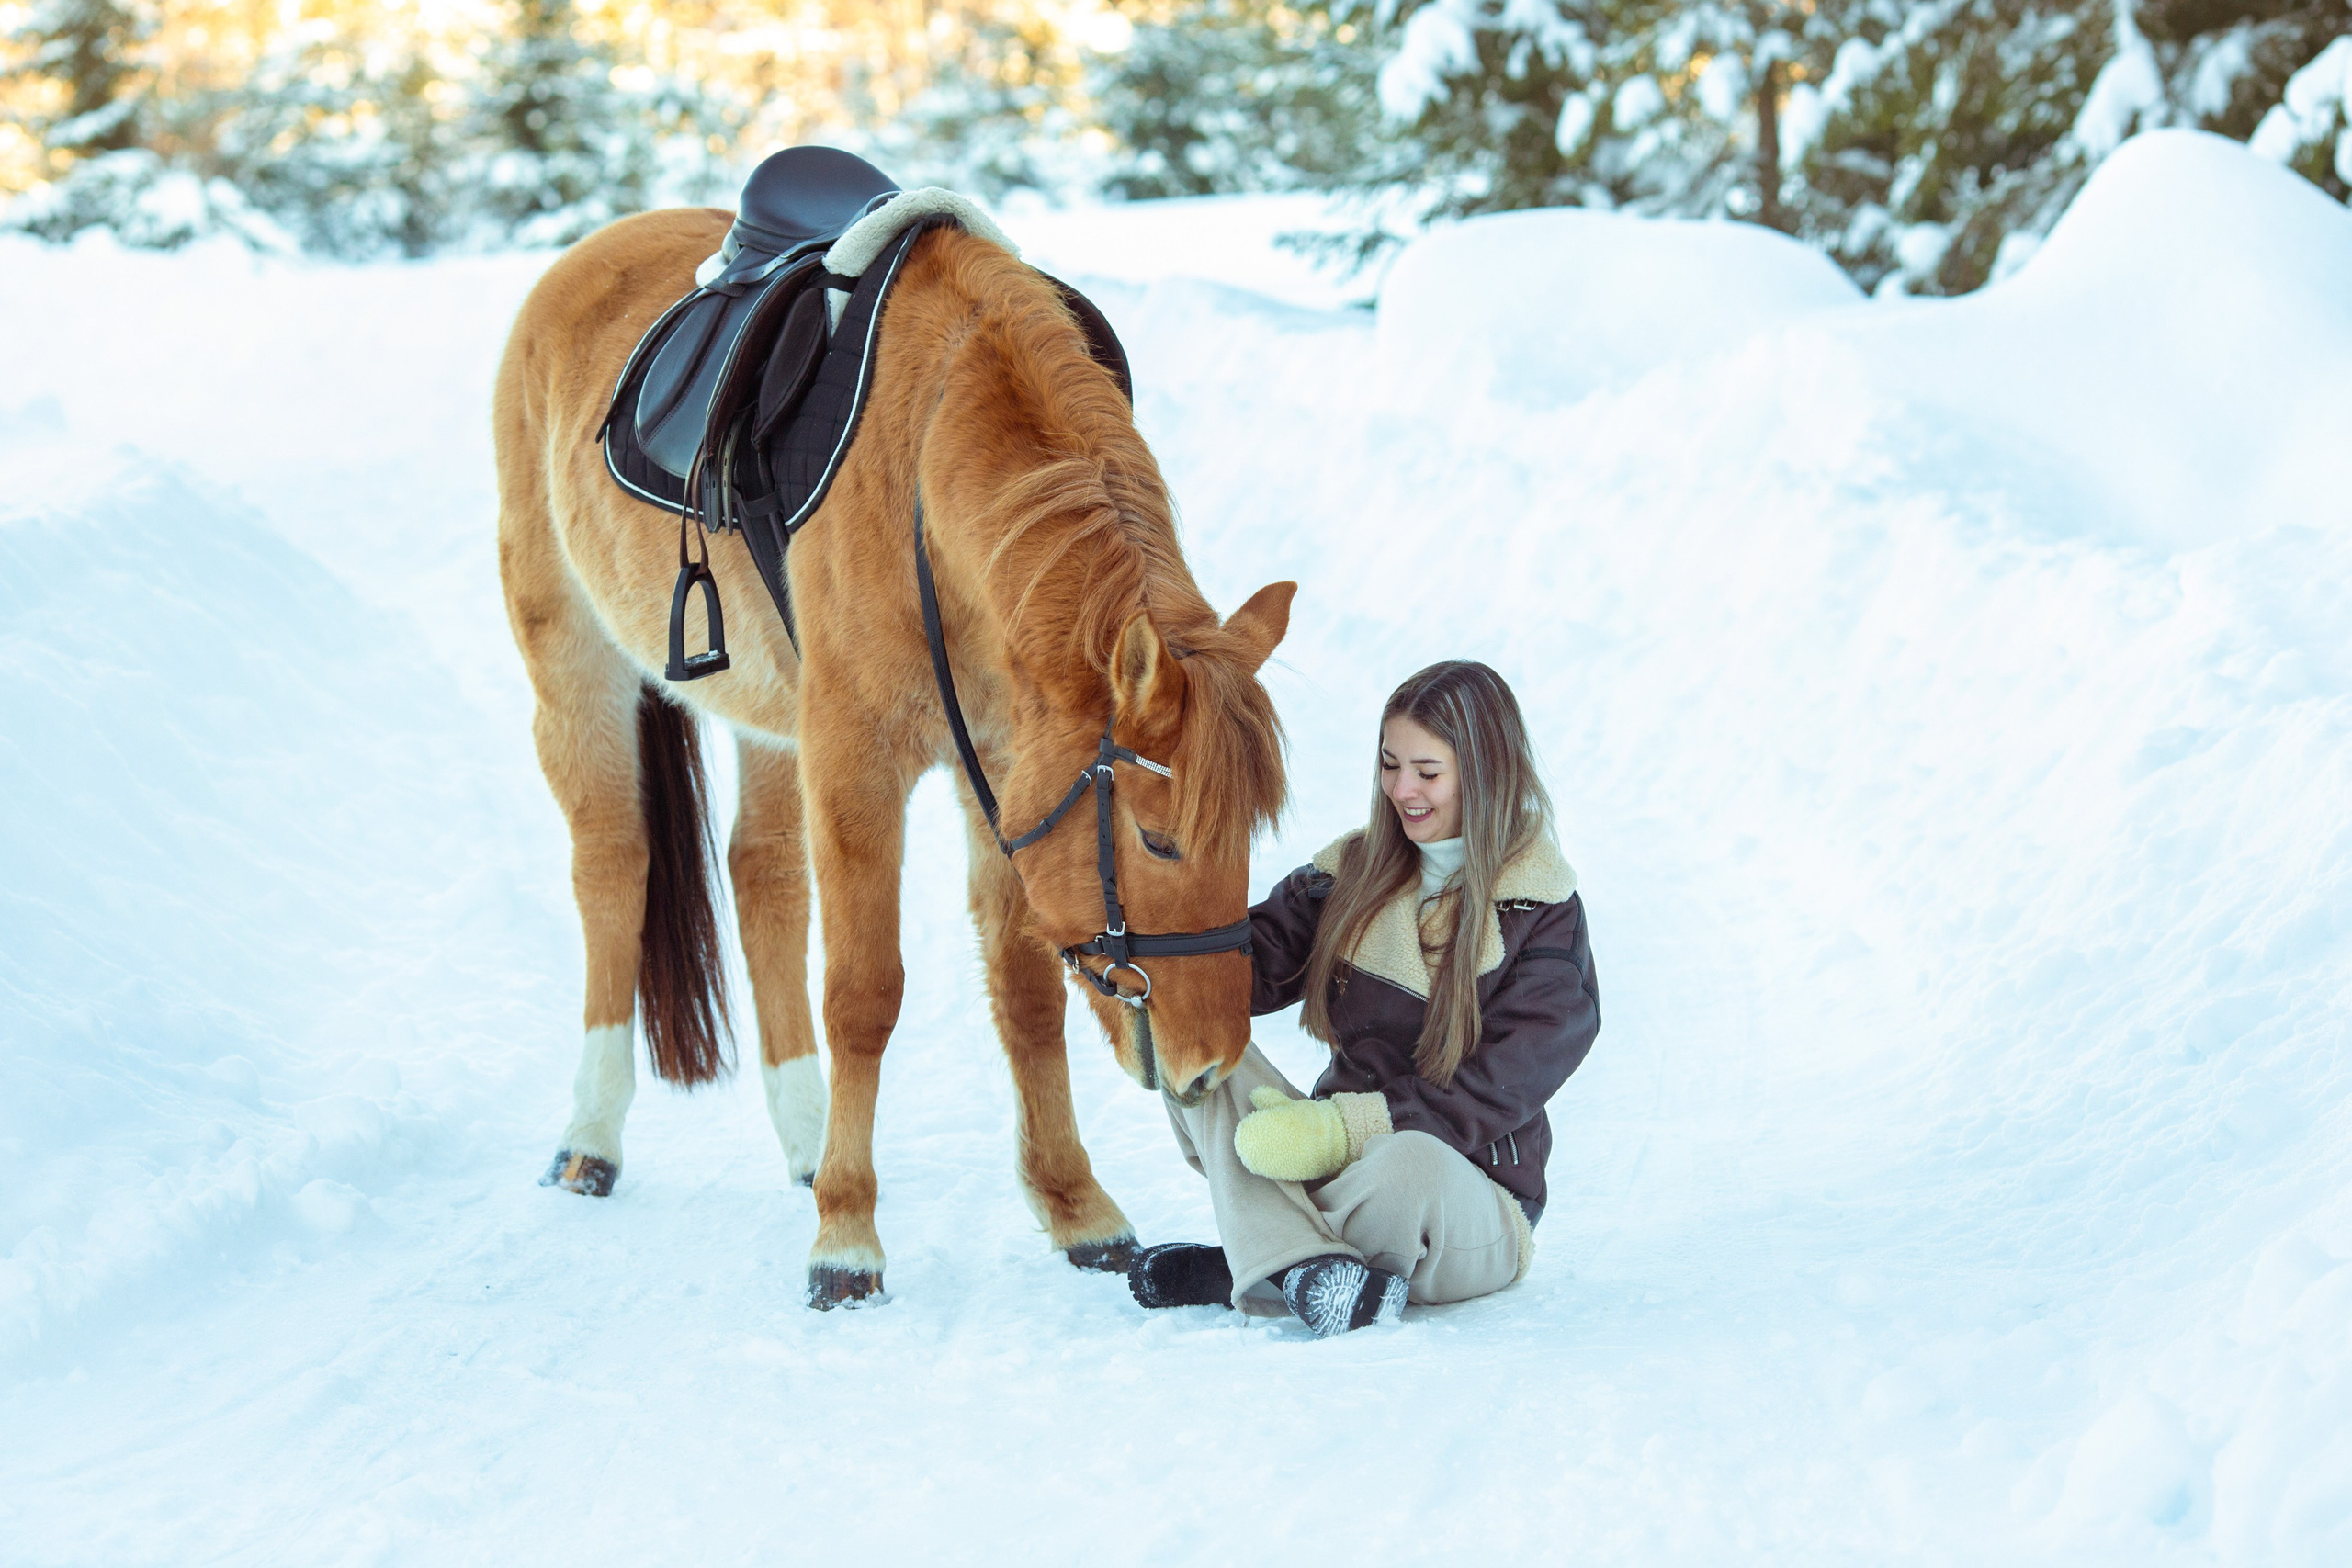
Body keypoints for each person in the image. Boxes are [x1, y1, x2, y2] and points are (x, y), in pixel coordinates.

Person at [1127, 660, 1600, 1335]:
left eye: (1427, 772)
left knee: (1405, 1160)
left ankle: (1258, 1255)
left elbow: (1495, 1090)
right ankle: (1300, 1267)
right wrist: (1150, 947)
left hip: (1465, 1198)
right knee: (1201, 1047)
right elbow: (1242, 972)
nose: (1402, 789)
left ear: (1484, 772)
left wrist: (1339, 1129)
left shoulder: (1542, 911)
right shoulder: (1351, 873)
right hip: (1334, 1169)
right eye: (1389, 764)